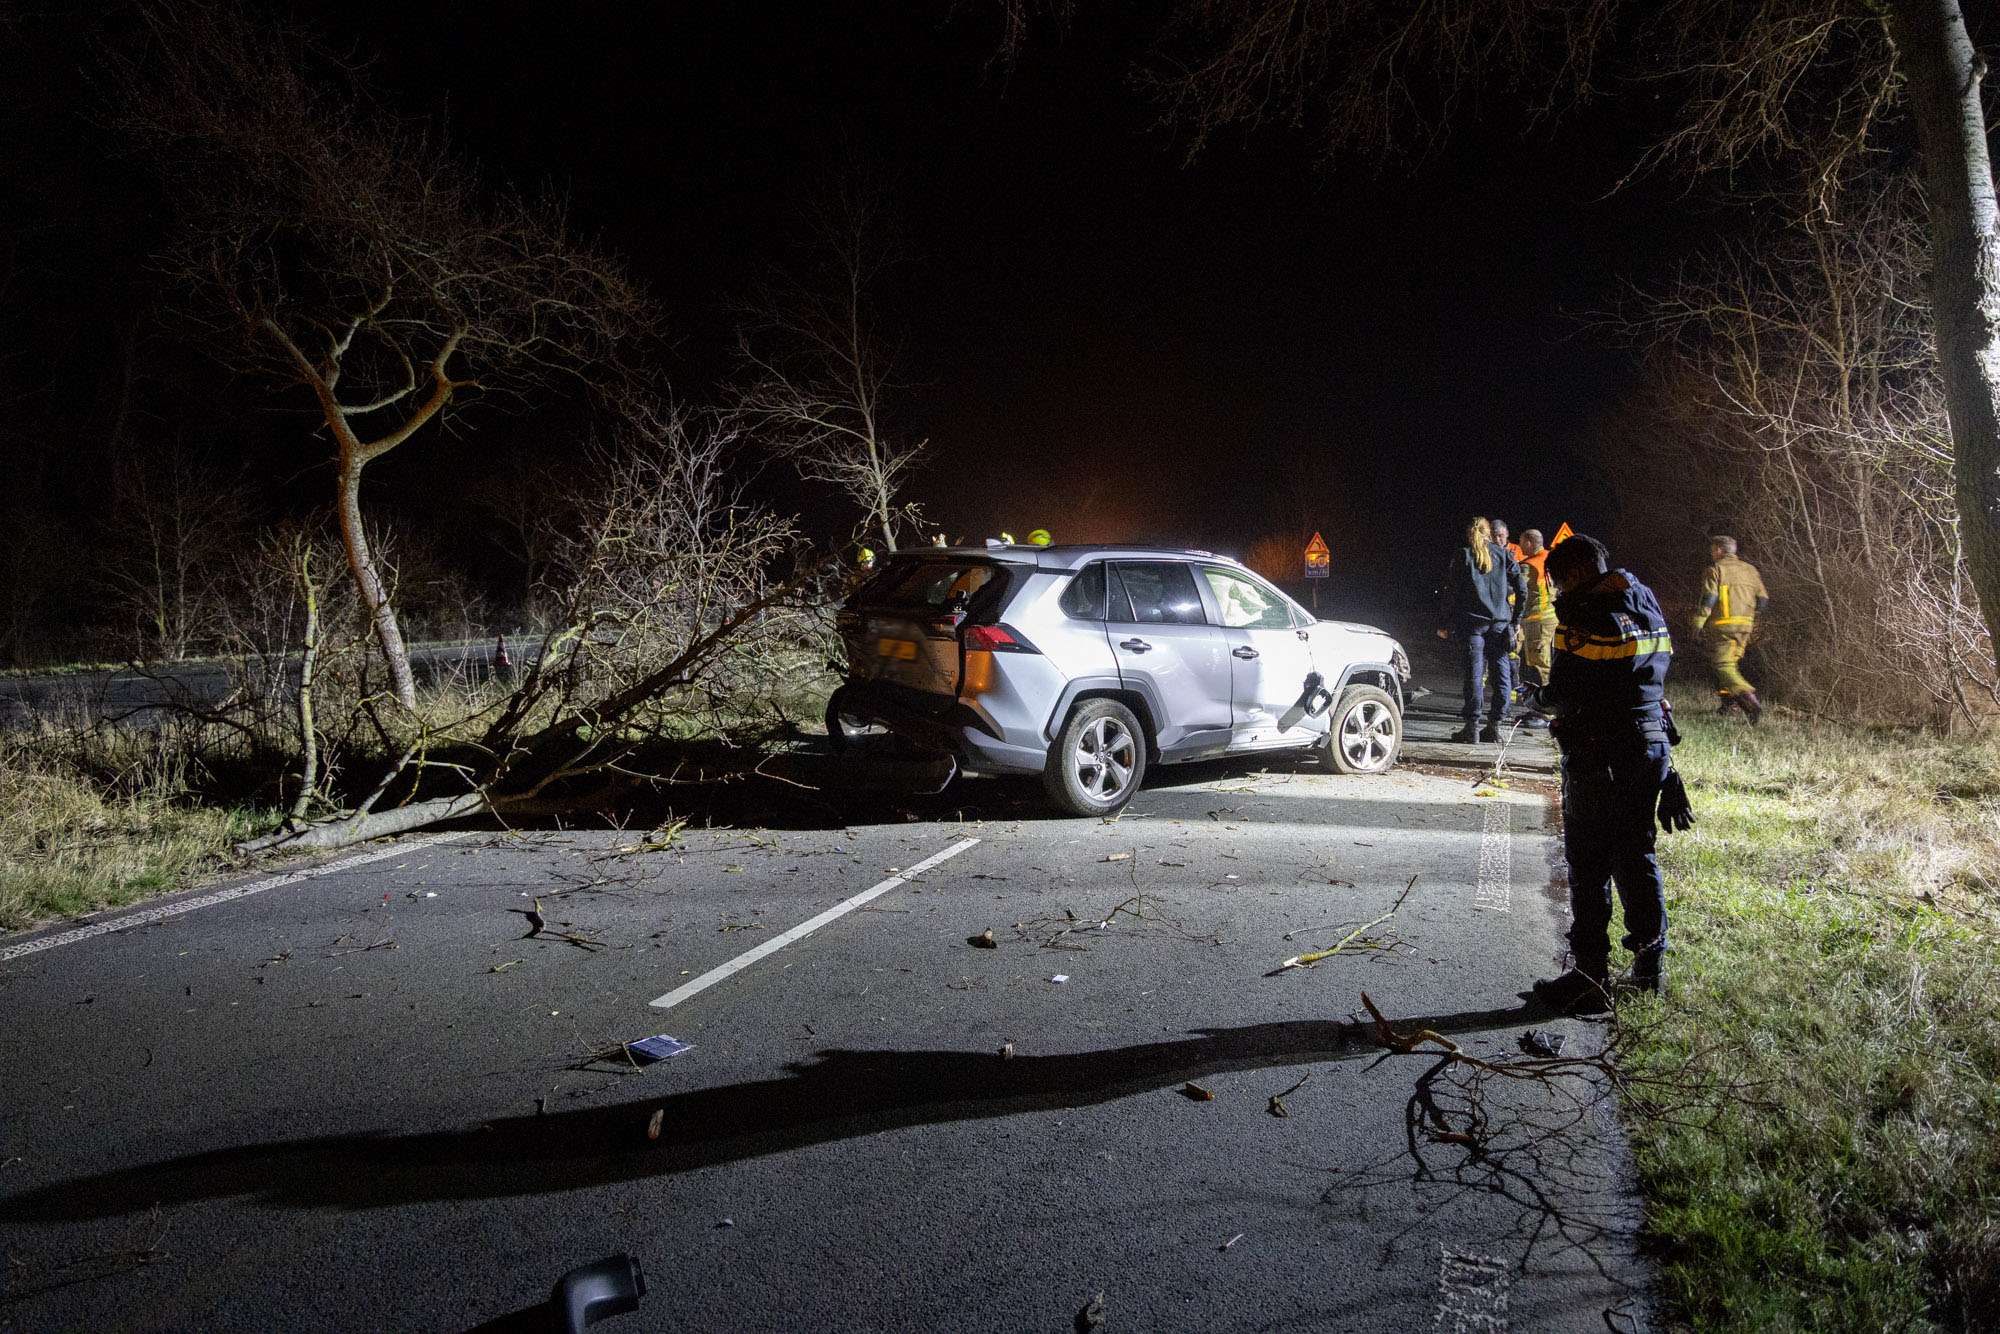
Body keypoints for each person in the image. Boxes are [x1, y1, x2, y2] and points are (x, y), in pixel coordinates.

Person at [1525, 534, 1674, 1011]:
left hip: (1600, 753)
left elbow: (1565, 694)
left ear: (1570, 575)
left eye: (1556, 580)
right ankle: (1650, 969)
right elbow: (1646, 681)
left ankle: (1590, 978)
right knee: (1636, 854)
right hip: (1650, 743)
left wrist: (1535, 701)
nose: (1556, 591)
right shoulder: (1643, 599)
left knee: (1589, 864)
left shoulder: (1582, 616)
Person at [1437, 516, 1527, 743]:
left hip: (1472, 624)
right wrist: (1515, 622)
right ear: (1489, 533)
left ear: (1471, 533)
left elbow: (1452, 592)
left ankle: (1472, 727)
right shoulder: (1503, 554)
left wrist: (1445, 623)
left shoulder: (1464, 555)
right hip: (1500, 624)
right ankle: (1495, 726)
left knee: (1474, 674)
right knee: (1501, 673)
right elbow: (1522, 589)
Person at [1691, 535, 1768, 723]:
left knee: (1723, 666)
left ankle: (1747, 697)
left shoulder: (1715, 570)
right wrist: (1750, 618)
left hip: (1723, 627)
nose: (1711, 552)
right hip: (1746, 627)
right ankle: (1729, 705)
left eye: (1712, 549)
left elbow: (1708, 598)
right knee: (1727, 666)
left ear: (1719, 549)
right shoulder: (1751, 570)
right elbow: (1762, 600)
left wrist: (1698, 624)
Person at [1514, 529, 1556, 727]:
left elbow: (1515, 590)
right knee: (1545, 664)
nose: (1521, 547)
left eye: (1522, 543)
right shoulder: (1550, 559)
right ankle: (1541, 709)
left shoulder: (1529, 566)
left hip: (1536, 621)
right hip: (1550, 619)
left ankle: (1545, 714)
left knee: (1541, 667)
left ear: (1529, 542)